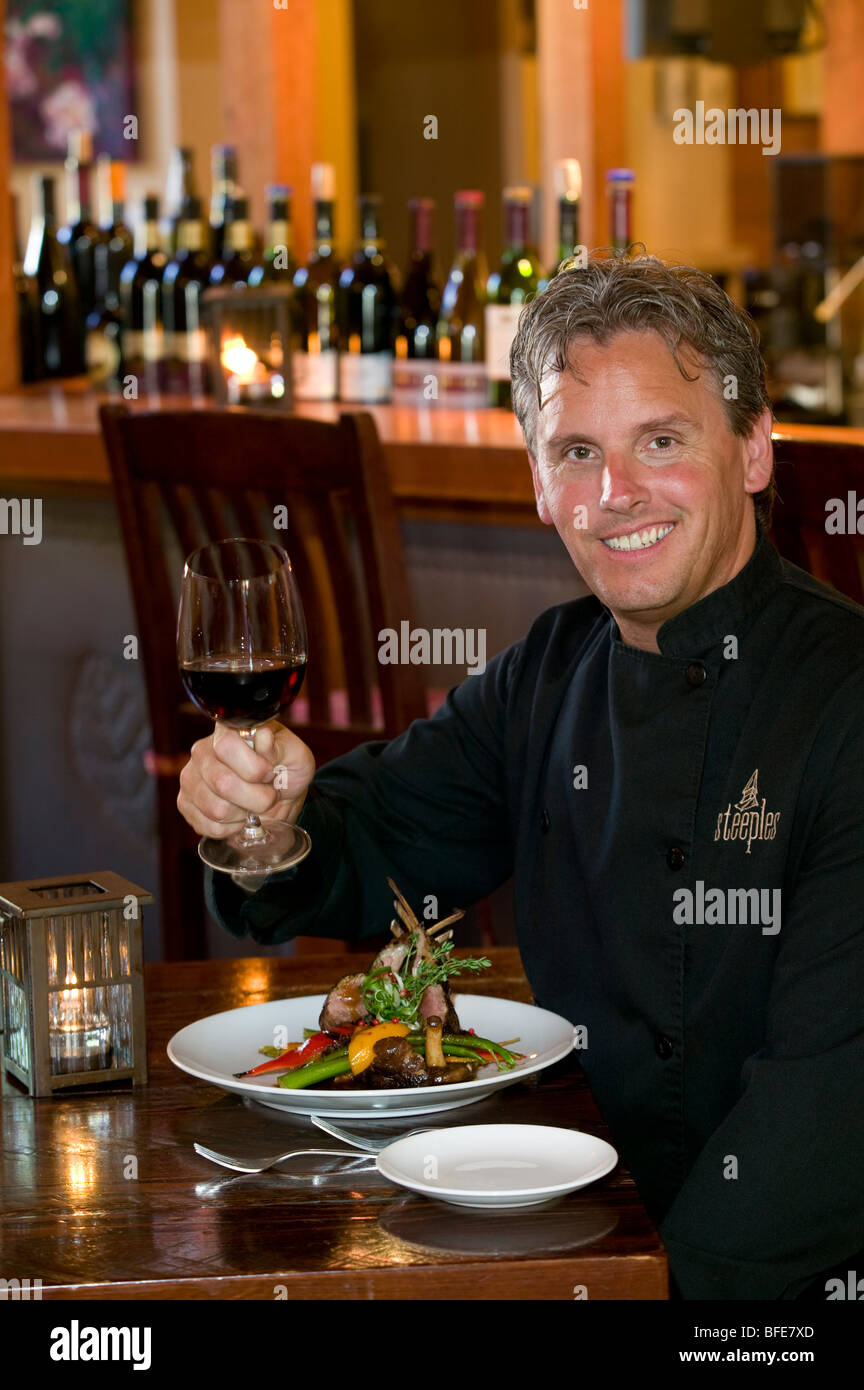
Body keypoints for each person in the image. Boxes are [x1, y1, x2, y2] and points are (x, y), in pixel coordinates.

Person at [178, 255, 864, 1301]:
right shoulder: (548, 672)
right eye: (576, 451)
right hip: (579, 1234)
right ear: (539, 484)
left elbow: (825, 1121)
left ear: (756, 448)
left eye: (662, 442)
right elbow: (369, 844)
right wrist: (269, 828)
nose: (615, 493)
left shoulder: (845, 702)